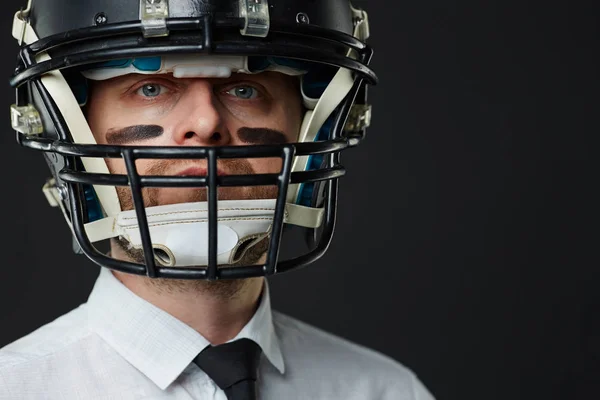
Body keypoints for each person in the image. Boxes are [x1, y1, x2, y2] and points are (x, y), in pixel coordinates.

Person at [1, 1, 435, 399]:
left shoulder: (385, 392)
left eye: (245, 89)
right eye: (151, 88)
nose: (206, 123)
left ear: (312, 127)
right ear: (75, 126)